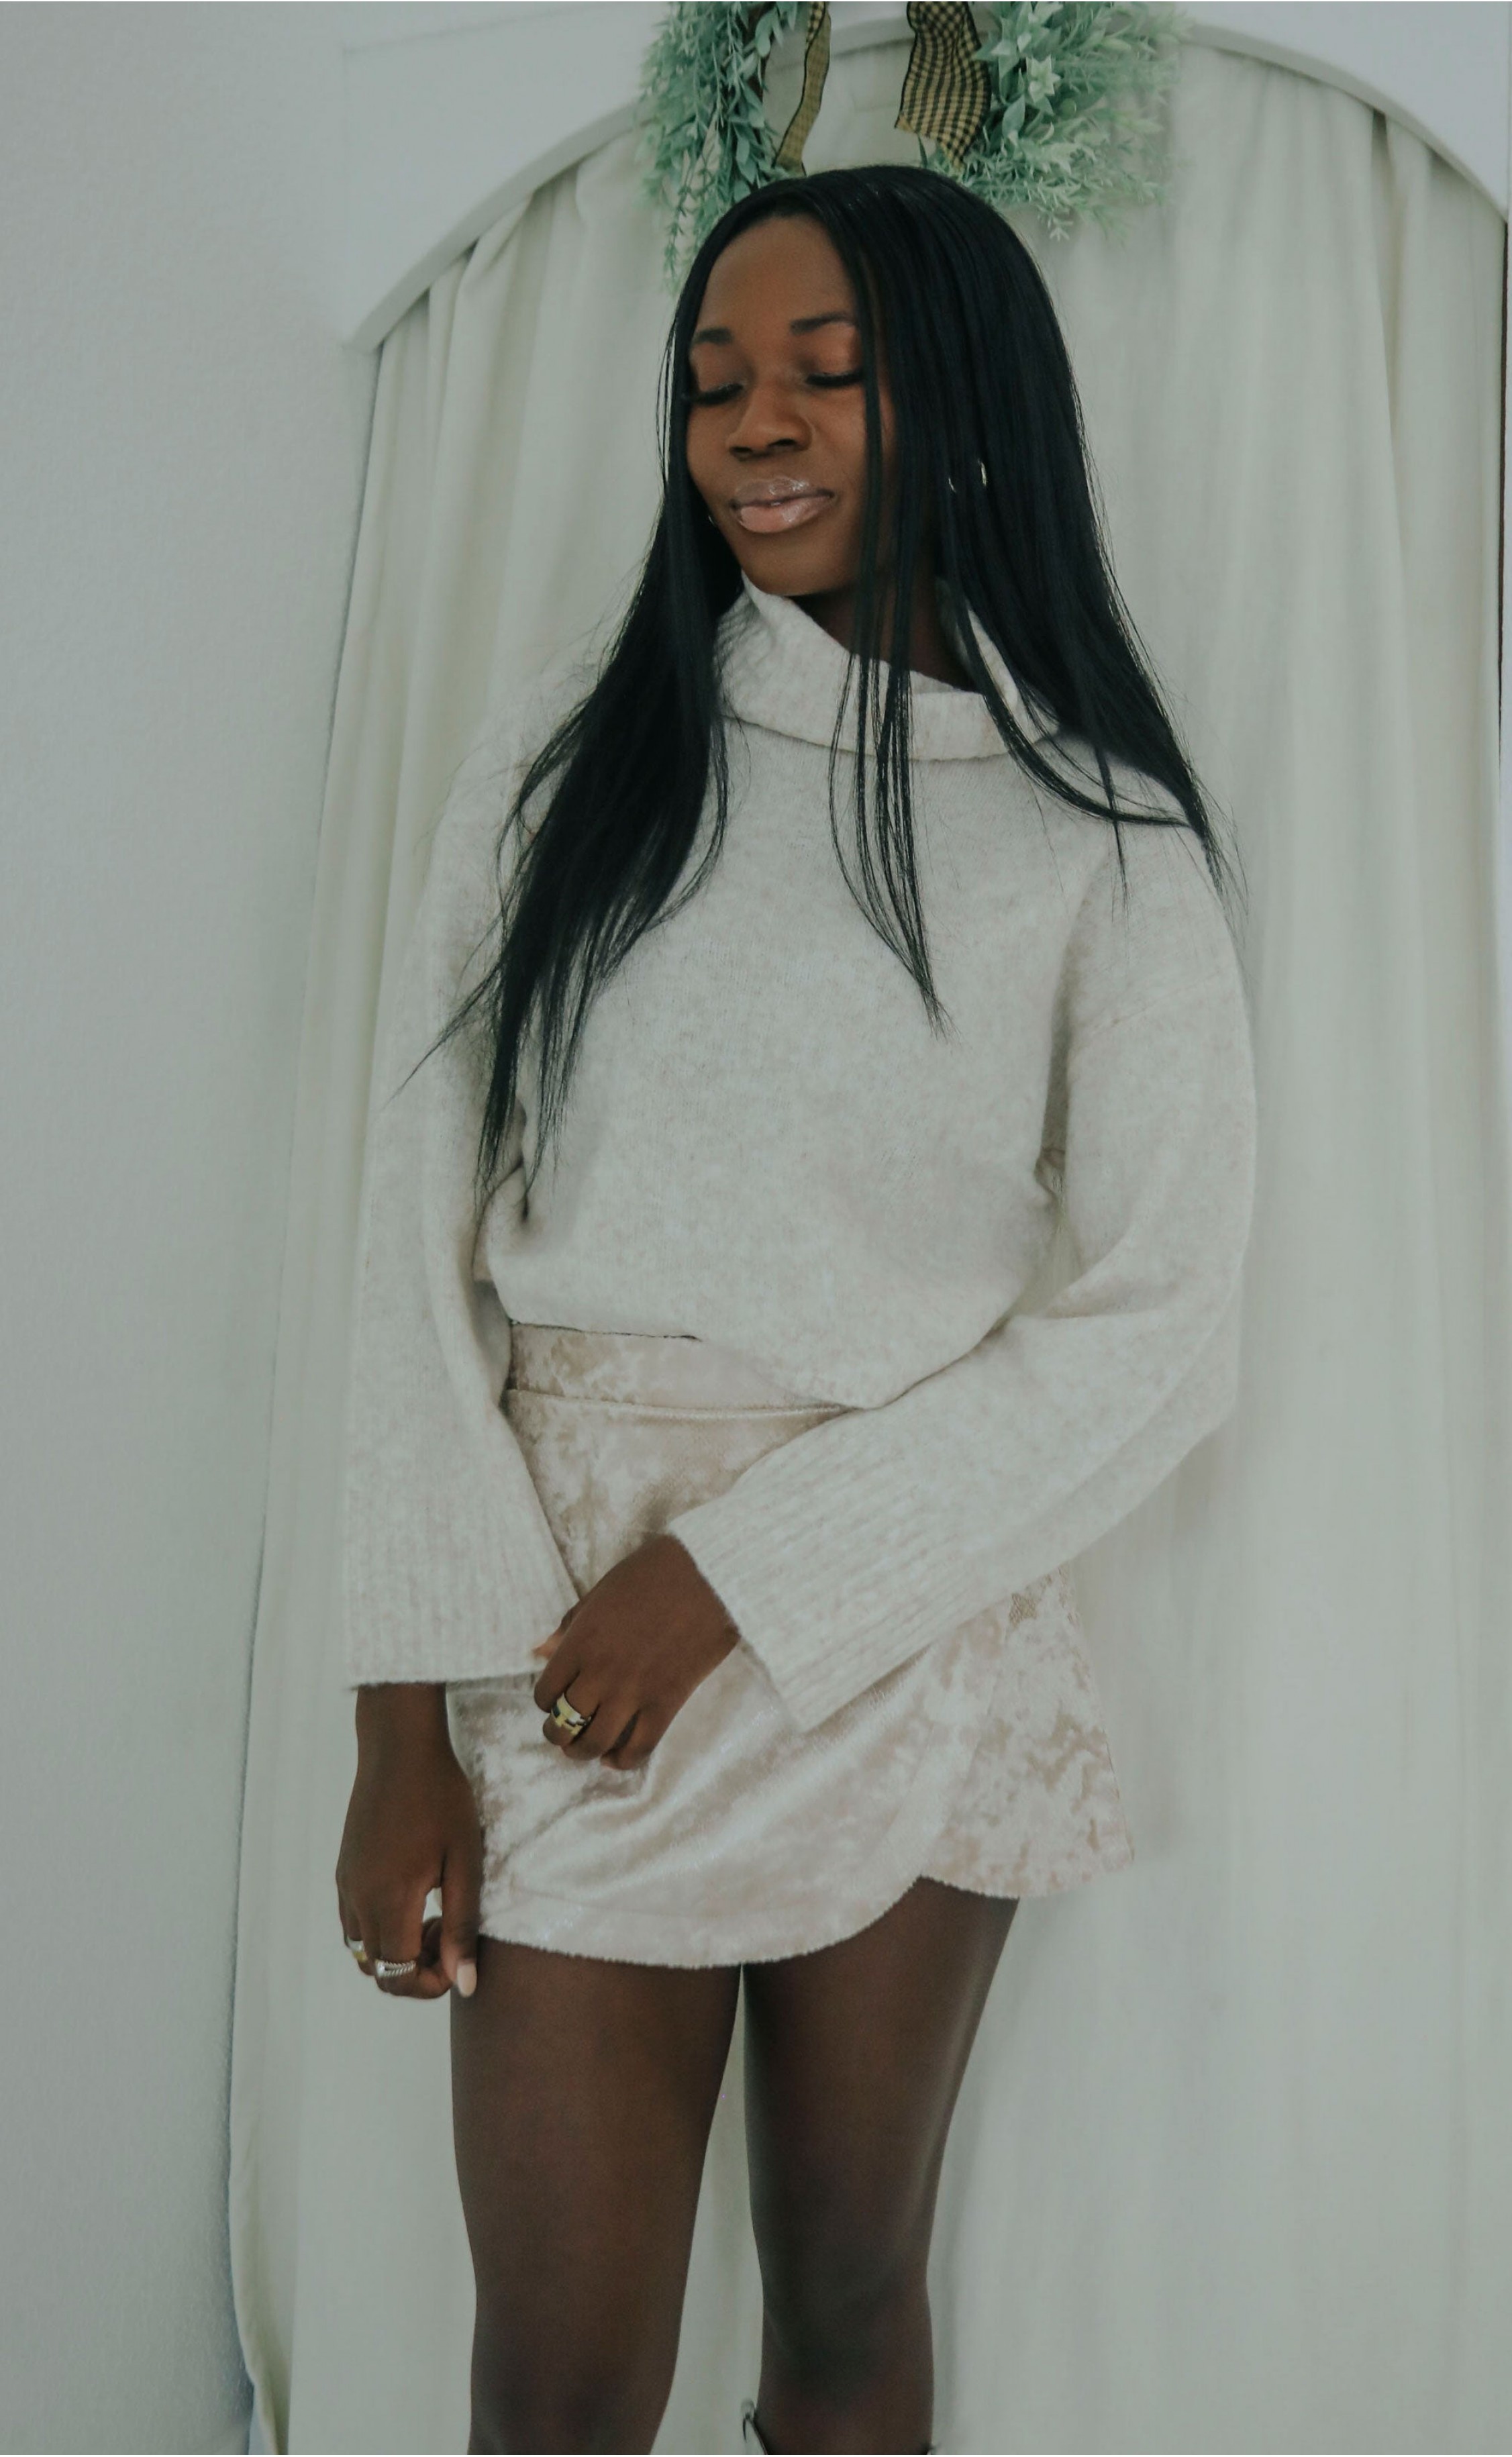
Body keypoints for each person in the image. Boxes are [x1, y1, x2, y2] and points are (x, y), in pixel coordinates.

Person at [334, 162, 1258, 2456]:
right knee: (558, 2384)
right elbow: (403, 1250)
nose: (756, 425)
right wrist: (395, 1734)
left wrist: (749, 1578)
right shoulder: (571, 767)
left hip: (903, 1619)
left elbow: (1162, 1324)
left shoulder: (1099, 838)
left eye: (827, 375)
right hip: (559, 1633)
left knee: (848, 2291)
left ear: (967, 407)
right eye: (716, 380)